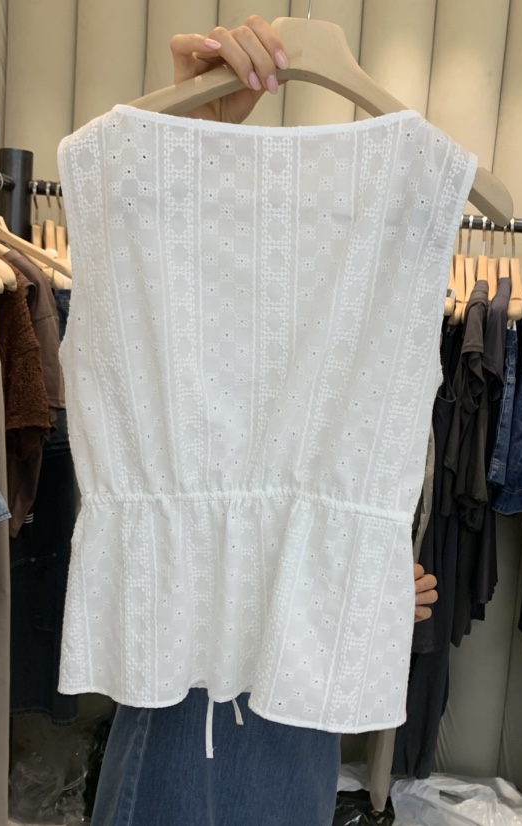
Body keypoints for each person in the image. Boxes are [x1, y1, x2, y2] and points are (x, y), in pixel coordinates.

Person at [90, 17, 439, 826]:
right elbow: (128, 272)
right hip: (198, 701)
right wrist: (186, 132)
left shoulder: (401, 252)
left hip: (302, 707)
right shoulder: (183, 286)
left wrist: (369, 580)